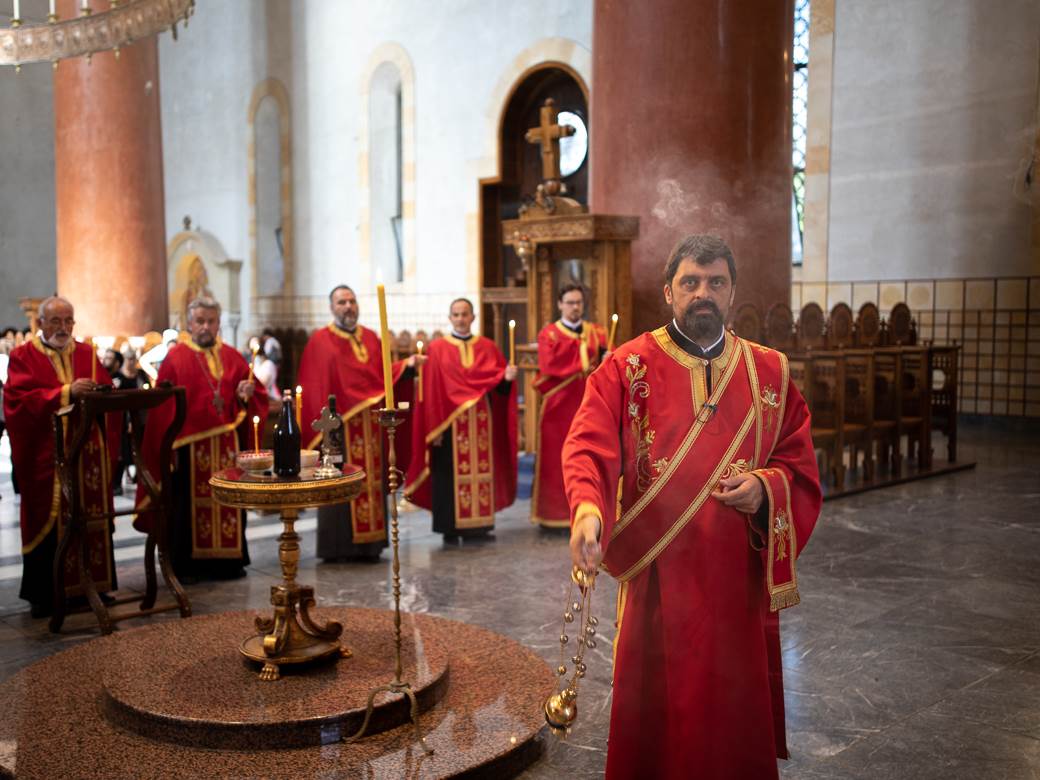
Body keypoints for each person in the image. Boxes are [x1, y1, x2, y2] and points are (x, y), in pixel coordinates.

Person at [564, 235, 822, 779]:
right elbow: (588, 445)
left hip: (735, 582)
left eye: (716, 283)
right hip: (659, 580)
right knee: (659, 719)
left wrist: (765, 487)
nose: (703, 293)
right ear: (668, 291)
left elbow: (797, 462)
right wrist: (589, 508)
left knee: (730, 716)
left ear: (732, 294)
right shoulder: (625, 367)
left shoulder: (768, 373)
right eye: (690, 282)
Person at [134, 296, 268, 581]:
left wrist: (246, 396)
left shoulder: (232, 356)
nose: (206, 327)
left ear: (219, 323)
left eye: (211, 321)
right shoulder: (176, 358)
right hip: (188, 451)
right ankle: (187, 565)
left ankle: (230, 563)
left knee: (230, 502)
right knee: (185, 509)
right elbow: (164, 409)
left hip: (227, 449)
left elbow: (253, 398)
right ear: (189, 323)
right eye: (200, 321)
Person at [3, 296, 120, 617]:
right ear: (40, 323)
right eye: (55, 321)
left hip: (88, 457)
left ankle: (92, 586)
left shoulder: (87, 354)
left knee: (89, 518)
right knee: (51, 520)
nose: (63, 328)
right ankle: (47, 594)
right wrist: (66, 393)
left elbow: (108, 393)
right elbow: (18, 402)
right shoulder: (23, 357)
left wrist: (103, 394)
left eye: (69, 321)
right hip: (47, 458)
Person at [297, 285, 424, 562]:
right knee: (341, 484)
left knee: (372, 482)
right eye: (341, 302)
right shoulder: (320, 341)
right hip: (337, 430)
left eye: (352, 301)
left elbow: (380, 378)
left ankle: (371, 545)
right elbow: (314, 386)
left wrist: (407, 365)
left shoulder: (370, 337)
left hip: (370, 425)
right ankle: (338, 548)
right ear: (332, 308)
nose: (348, 306)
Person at [404, 298, 518, 541]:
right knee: (447, 474)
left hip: (481, 422)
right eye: (456, 314)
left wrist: (507, 379)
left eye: (465, 314)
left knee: (481, 471)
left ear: (473, 317)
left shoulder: (488, 347)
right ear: (450, 318)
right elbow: (431, 392)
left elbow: (498, 388)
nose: (461, 318)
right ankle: (449, 528)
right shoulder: (437, 349)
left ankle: (480, 526)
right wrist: (434, 428)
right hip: (448, 424)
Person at [531, 283, 608, 528]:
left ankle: (589, 515)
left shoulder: (597, 332)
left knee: (590, 459)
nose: (575, 307)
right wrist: (587, 353)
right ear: (560, 305)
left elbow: (610, 361)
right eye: (570, 303)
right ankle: (554, 516)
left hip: (590, 406)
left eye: (579, 303)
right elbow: (550, 365)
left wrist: (608, 358)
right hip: (559, 408)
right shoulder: (549, 334)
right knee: (556, 462)